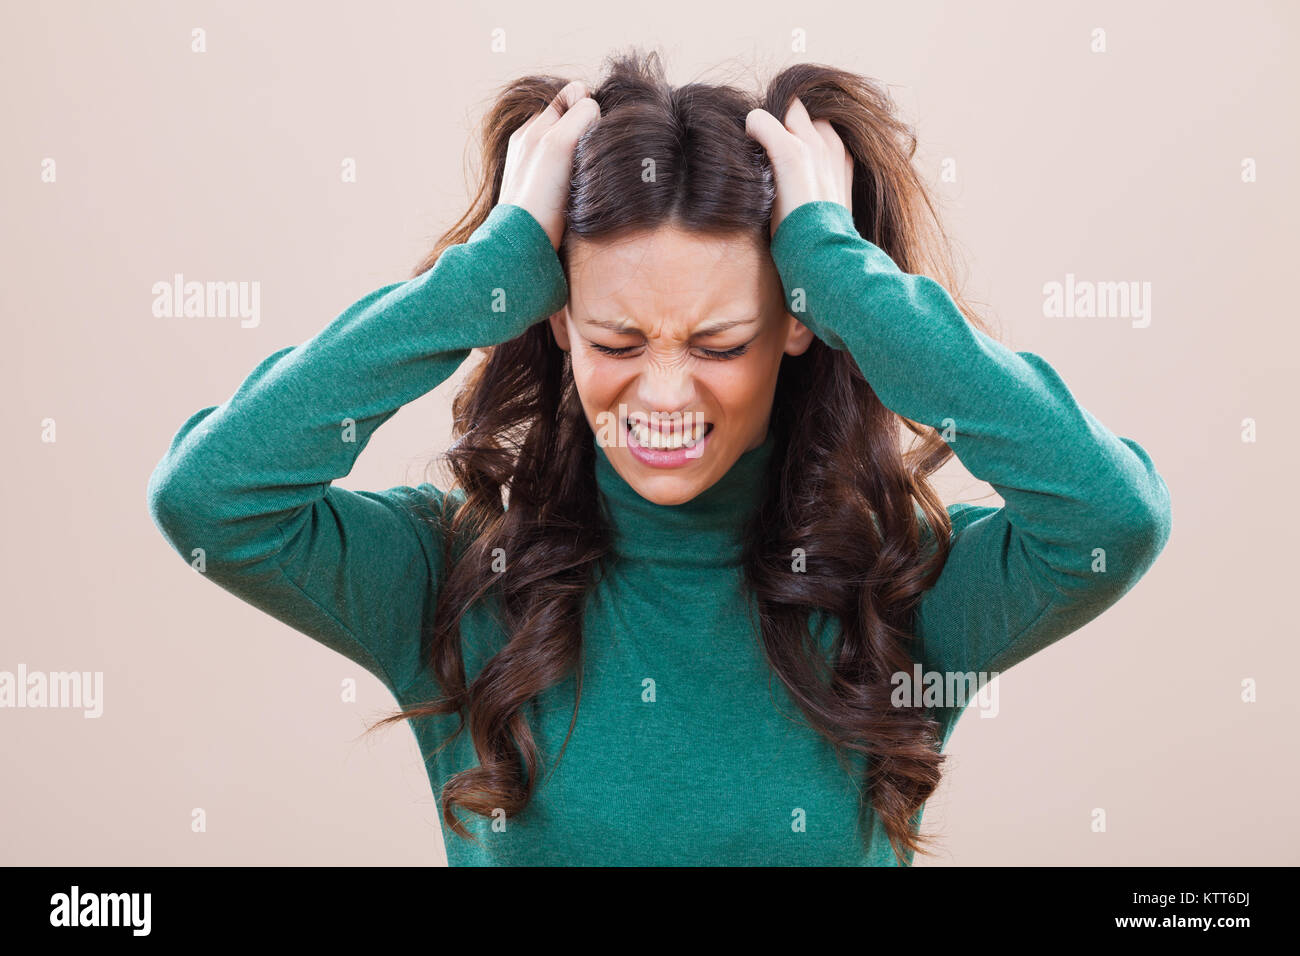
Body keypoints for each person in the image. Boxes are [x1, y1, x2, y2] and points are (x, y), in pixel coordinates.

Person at [146, 51, 1172, 866]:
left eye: (720, 344)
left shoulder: (899, 588)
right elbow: (210, 498)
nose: (664, 395)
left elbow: (1110, 517)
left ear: (796, 326)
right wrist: (489, 269)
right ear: (553, 321)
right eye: (617, 340)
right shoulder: (452, 578)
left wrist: (840, 271)